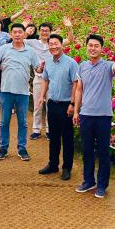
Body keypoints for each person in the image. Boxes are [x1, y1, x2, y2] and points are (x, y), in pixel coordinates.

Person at [73, 34, 115, 198]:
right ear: (86, 47)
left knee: (104, 152)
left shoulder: (108, 66)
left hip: (104, 116)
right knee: (87, 150)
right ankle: (88, 181)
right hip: (86, 115)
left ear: (102, 49)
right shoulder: (82, 66)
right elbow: (79, 90)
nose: (92, 48)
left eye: (96, 45)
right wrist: (76, 111)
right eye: (90, 45)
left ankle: (102, 185)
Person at [0, 23, 44, 161]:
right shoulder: (4, 48)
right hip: (6, 91)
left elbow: (37, 69)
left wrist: (41, 67)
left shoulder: (30, 51)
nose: (17, 34)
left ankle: (22, 148)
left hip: (23, 92)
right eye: (15, 32)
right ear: (11, 34)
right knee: (4, 121)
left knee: (23, 122)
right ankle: (3, 148)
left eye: (20, 32)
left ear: (24, 34)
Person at [37, 32, 79, 181]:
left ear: (62, 45)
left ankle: (67, 167)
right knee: (53, 137)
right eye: (51, 44)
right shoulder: (48, 62)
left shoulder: (71, 63)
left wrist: (73, 104)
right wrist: (42, 96)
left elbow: (76, 83)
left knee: (67, 138)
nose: (53, 46)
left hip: (66, 105)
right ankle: (53, 164)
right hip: (52, 104)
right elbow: (45, 80)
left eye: (56, 43)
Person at [27, 22, 54, 140]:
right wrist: (26, 32)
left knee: (50, 105)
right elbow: (18, 39)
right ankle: (36, 130)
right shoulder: (33, 42)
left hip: (52, 79)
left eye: (46, 30)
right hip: (39, 77)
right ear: (39, 31)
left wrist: (69, 28)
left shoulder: (54, 43)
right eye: (42, 30)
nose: (44, 32)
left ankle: (49, 130)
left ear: (50, 32)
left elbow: (70, 40)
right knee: (38, 104)